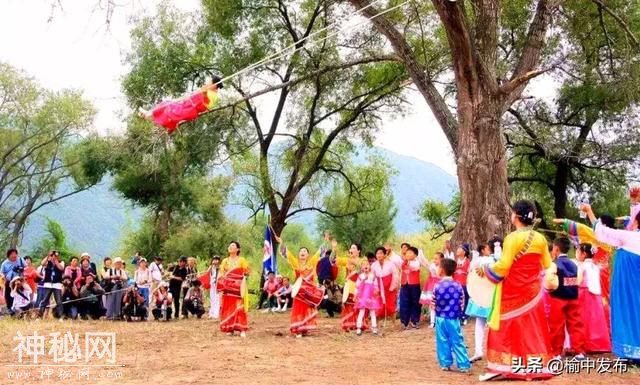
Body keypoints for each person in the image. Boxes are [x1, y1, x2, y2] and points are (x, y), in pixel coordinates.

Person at [476, 200, 553, 381]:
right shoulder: (541, 239)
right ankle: (535, 366)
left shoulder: (512, 238)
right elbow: (548, 265)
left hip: (512, 291)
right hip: (533, 292)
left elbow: (503, 266)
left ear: (517, 216)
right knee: (532, 329)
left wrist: (485, 270)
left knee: (505, 328)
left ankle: (506, 366)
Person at [583, 203, 640, 362]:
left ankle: (630, 352)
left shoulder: (630, 237)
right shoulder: (630, 236)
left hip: (627, 288)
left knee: (627, 313)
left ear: (635, 222)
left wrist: (589, 211)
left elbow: (602, 232)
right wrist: (634, 203)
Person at [554, 216, 613, 320]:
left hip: (597, 273)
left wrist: (565, 222)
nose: (595, 224)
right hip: (601, 272)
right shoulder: (606, 239)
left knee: (597, 299)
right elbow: (585, 237)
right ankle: (605, 325)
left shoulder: (602, 237)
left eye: (598, 222)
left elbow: (582, 229)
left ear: (603, 226)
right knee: (601, 299)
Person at [544, 237, 586, 360]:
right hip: (573, 297)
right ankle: (579, 351)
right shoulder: (574, 264)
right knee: (576, 324)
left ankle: (556, 352)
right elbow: (578, 280)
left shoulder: (554, 264)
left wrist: (548, 289)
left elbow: (550, 282)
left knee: (556, 325)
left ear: (556, 249)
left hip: (558, 298)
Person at [277, 234, 323, 337]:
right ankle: (298, 329)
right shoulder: (295, 263)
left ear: (308, 255)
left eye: (304, 251)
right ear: (298, 255)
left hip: (309, 292)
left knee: (307, 309)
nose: (302, 252)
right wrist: (281, 243)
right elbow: (287, 254)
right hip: (299, 292)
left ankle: (304, 328)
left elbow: (319, 252)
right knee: (298, 309)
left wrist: (327, 242)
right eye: (301, 251)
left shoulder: (312, 263)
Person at [138, 78, 223, 133]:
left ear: (214, 85)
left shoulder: (214, 96)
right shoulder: (207, 90)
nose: (207, 83)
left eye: (210, 82)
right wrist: (202, 90)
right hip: (185, 105)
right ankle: (150, 115)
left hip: (190, 110)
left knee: (168, 110)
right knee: (166, 103)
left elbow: (205, 105)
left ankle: (147, 115)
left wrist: (204, 92)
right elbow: (193, 96)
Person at [434, 258, 471, 372]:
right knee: (457, 340)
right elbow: (462, 302)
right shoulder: (458, 285)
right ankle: (463, 364)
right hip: (453, 318)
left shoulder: (437, 286)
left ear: (442, 270)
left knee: (442, 340)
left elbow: (433, 303)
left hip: (440, 317)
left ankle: (445, 363)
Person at [575, 243, 611, 353]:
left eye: (577, 251)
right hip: (596, 296)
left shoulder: (581, 266)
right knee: (596, 320)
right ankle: (599, 344)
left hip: (584, 294)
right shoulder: (596, 267)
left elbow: (579, 281)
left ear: (584, 254)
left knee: (582, 319)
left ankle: (585, 344)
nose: (576, 253)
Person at [465, 244, 494, 362]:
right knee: (492, 324)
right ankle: (490, 351)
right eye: (487, 248)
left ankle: (479, 350)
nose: (489, 250)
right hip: (490, 295)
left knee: (480, 324)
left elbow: (470, 274)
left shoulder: (476, 262)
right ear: (483, 250)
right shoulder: (492, 260)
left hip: (480, 295)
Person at [219, 241, 250, 337]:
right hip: (228, 288)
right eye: (230, 245)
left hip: (238, 287)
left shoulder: (241, 260)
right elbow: (221, 273)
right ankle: (229, 328)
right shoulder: (225, 261)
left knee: (239, 308)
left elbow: (247, 271)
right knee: (228, 307)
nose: (230, 247)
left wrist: (243, 276)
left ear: (237, 249)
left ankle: (241, 329)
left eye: (233, 246)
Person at [334, 240, 364, 332]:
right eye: (351, 248)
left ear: (359, 251)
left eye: (354, 248)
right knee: (348, 304)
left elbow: (363, 269)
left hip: (358, 285)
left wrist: (354, 262)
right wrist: (334, 249)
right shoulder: (347, 260)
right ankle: (348, 324)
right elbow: (333, 259)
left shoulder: (363, 260)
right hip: (349, 285)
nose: (351, 249)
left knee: (357, 304)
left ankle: (358, 324)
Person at [398, 246, 423, 329]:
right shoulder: (404, 262)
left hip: (414, 285)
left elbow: (414, 268)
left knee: (415, 302)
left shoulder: (417, 262)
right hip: (404, 284)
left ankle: (415, 320)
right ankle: (404, 322)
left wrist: (407, 262)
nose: (408, 254)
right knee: (404, 302)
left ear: (415, 255)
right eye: (407, 253)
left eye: (410, 253)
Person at [355, 260, 382, 335]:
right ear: (361, 268)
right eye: (363, 265)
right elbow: (357, 286)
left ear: (370, 266)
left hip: (371, 296)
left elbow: (376, 284)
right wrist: (356, 294)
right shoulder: (361, 276)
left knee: (372, 312)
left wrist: (376, 290)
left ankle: (374, 327)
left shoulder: (373, 275)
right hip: (363, 295)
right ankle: (358, 327)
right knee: (362, 311)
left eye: (367, 264)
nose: (366, 266)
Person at [372, 246, 399, 320]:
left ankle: (394, 323)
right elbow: (372, 278)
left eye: (381, 253)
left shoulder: (390, 264)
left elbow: (395, 275)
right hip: (379, 288)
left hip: (389, 288)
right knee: (378, 306)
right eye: (377, 253)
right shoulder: (374, 265)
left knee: (390, 305)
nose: (379, 255)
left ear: (384, 254)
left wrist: (392, 287)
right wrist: (375, 288)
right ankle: (376, 324)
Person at [38, 250, 65, 318]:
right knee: (44, 301)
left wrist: (56, 261)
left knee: (58, 301)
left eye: (56, 256)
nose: (54, 257)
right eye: (53, 255)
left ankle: (61, 316)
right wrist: (48, 256)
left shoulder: (61, 262)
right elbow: (42, 263)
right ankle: (40, 316)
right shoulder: (47, 262)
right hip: (48, 284)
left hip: (57, 284)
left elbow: (61, 268)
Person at [422, 252, 444, 328]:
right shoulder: (432, 266)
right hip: (432, 286)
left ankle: (440, 320)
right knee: (432, 304)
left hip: (441, 286)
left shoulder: (443, 267)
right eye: (434, 259)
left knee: (440, 303)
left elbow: (442, 277)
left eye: (436, 259)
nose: (434, 260)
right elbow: (430, 277)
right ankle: (432, 322)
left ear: (441, 259)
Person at [454, 243, 471, 325]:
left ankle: (464, 316)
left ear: (464, 252)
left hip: (464, 284)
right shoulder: (455, 262)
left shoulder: (468, 262)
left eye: (459, 249)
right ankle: (458, 316)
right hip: (455, 284)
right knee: (456, 300)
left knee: (465, 300)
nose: (457, 250)